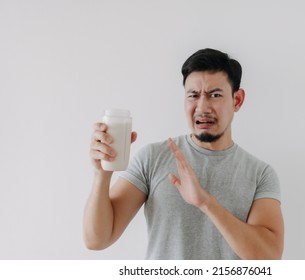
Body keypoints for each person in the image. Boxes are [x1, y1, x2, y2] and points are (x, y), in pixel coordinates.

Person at [84, 48, 284, 260]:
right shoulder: (153, 158)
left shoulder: (260, 174)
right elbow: (97, 240)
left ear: (237, 100)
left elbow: (269, 256)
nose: (202, 107)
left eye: (215, 95)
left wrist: (206, 203)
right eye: (193, 95)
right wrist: (102, 175)